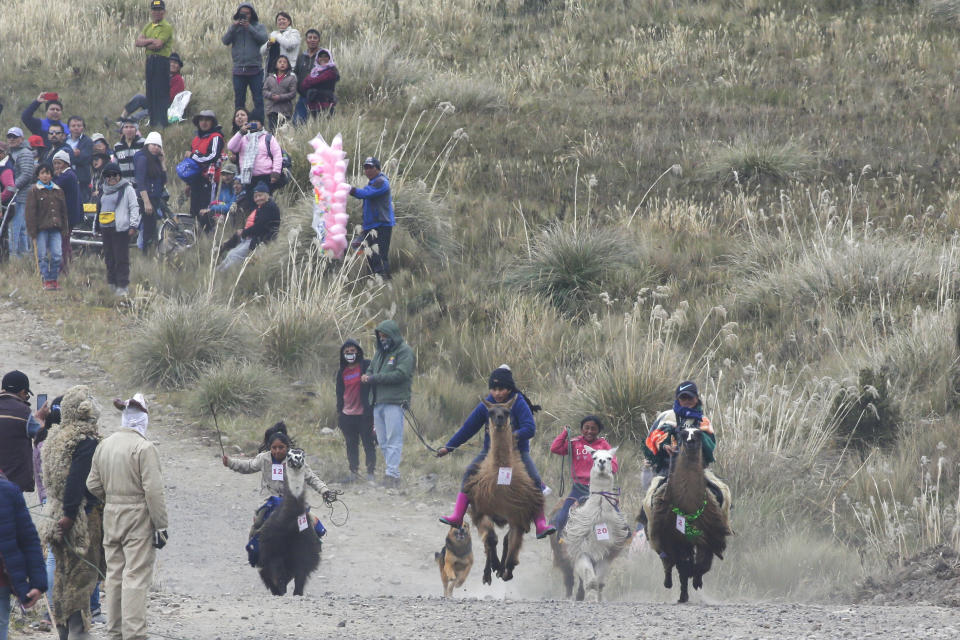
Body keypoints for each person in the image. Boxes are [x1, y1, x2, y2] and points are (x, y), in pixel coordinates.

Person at [436, 365, 556, 538]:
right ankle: (457, 515)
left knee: (535, 481)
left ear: (510, 388)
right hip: (489, 452)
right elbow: (468, 428)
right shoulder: (486, 404)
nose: (497, 393)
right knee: (469, 474)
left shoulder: (518, 402)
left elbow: (529, 428)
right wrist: (449, 447)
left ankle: (540, 524)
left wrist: (511, 436)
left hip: (517, 453)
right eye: (494, 388)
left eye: (502, 388)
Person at [86, 394, 168, 640]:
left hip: (111, 514)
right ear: (143, 419)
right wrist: (161, 525)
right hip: (138, 517)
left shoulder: (105, 444)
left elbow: (92, 484)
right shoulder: (144, 448)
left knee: (114, 575)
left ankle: (115, 632)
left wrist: (112, 496)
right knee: (135, 575)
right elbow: (153, 491)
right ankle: (134, 634)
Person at [40, 385, 103, 639]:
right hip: (79, 516)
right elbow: (77, 479)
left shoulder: (55, 436)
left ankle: (63, 628)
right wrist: (70, 513)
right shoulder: (85, 441)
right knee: (82, 574)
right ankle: (78, 630)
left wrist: (60, 512)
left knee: (62, 573)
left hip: (54, 513)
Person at [221, 423, 331, 565]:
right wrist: (229, 462)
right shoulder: (263, 459)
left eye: (281, 448)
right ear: (269, 448)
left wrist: (324, 490)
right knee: (258, 523)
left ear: (287, 448)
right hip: (269, 501)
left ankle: (313, 548)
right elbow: (247, 466)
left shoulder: (295, 460)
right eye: (274, 448)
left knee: (307, 522)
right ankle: (254, 553)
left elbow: (310, 477)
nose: (277, 451)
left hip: (292, 502)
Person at [360, 320, 414, 487]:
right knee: (382, 440)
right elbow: (371, 369)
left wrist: (375, 378)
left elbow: (401, 374)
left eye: (385, 336)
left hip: (395, 401)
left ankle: (392, 474)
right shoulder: (379, 353)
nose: (383, 339)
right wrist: (366, 375)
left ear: (393, 335)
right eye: (380, 336)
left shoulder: (404, 351)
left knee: (393, 439)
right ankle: (391, 473)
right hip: (377, 401)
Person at [548, 415, 619, 535]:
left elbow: (614, 464)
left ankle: (623, 539)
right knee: (562, 519)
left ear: (598, 431)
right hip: (579, 489)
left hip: (599, 488)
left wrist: (607, 470)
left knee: (616, 518)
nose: (590, 431)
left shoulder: (603, 445)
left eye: (593, 428)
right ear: (581, 429)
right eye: (586, 428)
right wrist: (565, 433)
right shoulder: (575, 443)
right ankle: (560, 539)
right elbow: (555, 448)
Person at [0, 469, 47, 640]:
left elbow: (28, 539)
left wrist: (38, 582)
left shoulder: (7, 491)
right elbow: (29, 540)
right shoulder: (8, 490)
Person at [643, 381, 716, 476]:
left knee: (721, 489)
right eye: (683, 398)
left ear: (697, 398)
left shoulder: (704, 421)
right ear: (678, 399)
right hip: (664, 468)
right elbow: (650, 441)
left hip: (696, 470)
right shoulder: (666, 416)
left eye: (690, 397)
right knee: (653, 489)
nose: (687, 401)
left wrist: (696, 437)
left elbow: (710, 448)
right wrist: (664, 446)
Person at [335, 339, 376, 483]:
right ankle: (353, 472)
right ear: (342, 354)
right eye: (346, 352)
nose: (350, 354)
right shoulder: (342, 372)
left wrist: (373, 411)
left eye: (352, 351)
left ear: (358, 351)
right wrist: (340, 414)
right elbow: (339, 394)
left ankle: (370, 473)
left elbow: (374, 385)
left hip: (364, 414)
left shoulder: (366, 365)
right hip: (347, 415)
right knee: (351, 445)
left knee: (368, 444)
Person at [96, 162, 139, 295]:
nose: (111, 178)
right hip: (105, 229)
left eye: (114, 175)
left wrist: (133, 225)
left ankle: (122, 286)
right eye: (108, 176)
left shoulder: (127, 189)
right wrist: (96, 228)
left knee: (121, 258)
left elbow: (134, 207)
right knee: (109, 258)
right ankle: (111, 284)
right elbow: (99, 209)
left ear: (119, 175)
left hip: (120, 229)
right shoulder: (103, 190)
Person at [216, 182, 279, 271]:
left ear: (267, 195)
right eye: (256, 197)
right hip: (254, 237)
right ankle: (217, 269)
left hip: (261, 240)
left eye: (260, 195)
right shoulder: (262, 207)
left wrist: (244, 232)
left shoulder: (269, 207)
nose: (258, 199)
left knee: (234, 255)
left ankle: (221, 273)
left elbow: (260, 227)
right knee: (231, 253)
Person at [350, 156, 395, 278]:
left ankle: (384, 284)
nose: (367, 170)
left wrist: (349, 189)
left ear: (378, 168)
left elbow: (366, 194)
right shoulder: (373, 183)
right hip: (371, 226)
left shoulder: (381, 182)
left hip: (382, 226)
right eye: (365, 167)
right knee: (365, 252)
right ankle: (375, 280)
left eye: (370, 167)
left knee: (379, 257)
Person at [25, 163, 68, 291]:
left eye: (48, 173)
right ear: (38, 175)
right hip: (41, 229)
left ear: (51, 175)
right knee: (42, 255)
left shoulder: (58, 190)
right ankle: (46, 279)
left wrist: (64, 227)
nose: (45, 176)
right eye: (42, 173)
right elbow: (30, 212)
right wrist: (32, 230)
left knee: (57, 255)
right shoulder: (34, 190)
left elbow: (63, 211)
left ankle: (54, 279)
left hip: (56, 228)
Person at [222, 3, 268, 121]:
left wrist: (249, 28)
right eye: (242, 13)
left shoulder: (259, 26)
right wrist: (233, 27)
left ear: (252, 14)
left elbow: (263, 39)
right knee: (239, 101)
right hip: (238, 71)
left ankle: (260, 125)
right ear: (238, 14)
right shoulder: (234, 28)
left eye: (247, 13)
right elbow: (225, 41)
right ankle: (238, 128)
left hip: (255, 70)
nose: (245, 15)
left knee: (258, 100)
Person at [226, 117, 281, 212]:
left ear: (262, 124)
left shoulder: (268, 137)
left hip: (265, 177)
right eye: (251, 122)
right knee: (251, 205)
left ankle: (266, 224)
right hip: (248, 178)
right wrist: (240, 132)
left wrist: (276, 172)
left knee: (265, 204)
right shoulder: (243, 138)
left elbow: (277, 155)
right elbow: (231, 147)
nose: (253, 124)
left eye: (256, 121)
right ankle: (253, 223)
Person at [135, 0, 175, 128]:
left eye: (159, 10)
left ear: (164, 11)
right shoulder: (148, 26)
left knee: (161, 92)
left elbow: (158, 45)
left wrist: (147, 42)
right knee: (150, 92)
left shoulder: (166, 27)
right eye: (154, 10)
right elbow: (137, 42)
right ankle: (153, 122)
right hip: (150, 61)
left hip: (161, 61)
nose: (156, 12)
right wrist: (151, 40)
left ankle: (162, 123)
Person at [0, 371, 42, 493]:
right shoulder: (24, 412)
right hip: (13, 481)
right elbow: (41, 436)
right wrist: (41, 419)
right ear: (23, 392)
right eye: (27, 395)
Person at [121, 52, 186, 124]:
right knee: (139, 98)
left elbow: (170, 98)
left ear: (179, 67)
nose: (172, 64)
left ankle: (127, 123)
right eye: (170, 62)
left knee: (149, 111)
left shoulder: (178, 79)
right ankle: (122, 117)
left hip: (167, 108)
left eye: (175, 63)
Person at [186, 110, 224, 221]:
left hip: (209, 180)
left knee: (206, 211)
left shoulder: (216, 137)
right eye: (201, 120)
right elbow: (191, 164)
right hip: (195, 180)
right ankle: (196, 237)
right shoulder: (196, 139)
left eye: (207, 120)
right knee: (194, 211)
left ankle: (208, 236)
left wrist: (193, 155)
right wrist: (189, 183)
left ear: (213, 122)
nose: (204, 122)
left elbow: (212, 156)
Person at [133, 131, 166, 252]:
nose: (156, 147)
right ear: (147, 144)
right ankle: (145, 253)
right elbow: (140, 181)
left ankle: (147, 250)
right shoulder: (142, 158)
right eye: (153, 144)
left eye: (158, 146)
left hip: (155, 198)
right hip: (146, 198)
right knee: (148, 228)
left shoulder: (156, 160)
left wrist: (163, 162)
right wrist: (146, 202)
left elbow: (164, 180)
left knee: (151, 226)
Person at [5, 128, 36, 258]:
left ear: (22, 139)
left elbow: (27, 174)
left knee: (16, 227)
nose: (12, 139)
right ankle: (23, 256)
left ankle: (15, 255)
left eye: (15, 136)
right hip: (16, 196)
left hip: (22, 196)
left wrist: (11, 188)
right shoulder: (12, 153)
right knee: (21, 228)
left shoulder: (25, 153)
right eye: (10, 136)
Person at [52, 150, 82, 271]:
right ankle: (68, 263)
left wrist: (54, 176)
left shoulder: (67, 176)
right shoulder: (71, 174)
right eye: (55, 163)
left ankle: (63, 266)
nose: (57, 166)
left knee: (62, 241)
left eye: (59, 163)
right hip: (70, 214)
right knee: (66, 240)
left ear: (66, 163)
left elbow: (54, 186)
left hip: (67, 215)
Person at [292, 29, 321, 124]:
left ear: (319, 40)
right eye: (310, 38)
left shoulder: (323, 56)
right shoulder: (301, 57)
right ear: (306, 40)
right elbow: (295, 74)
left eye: (315, 38)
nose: (312, 40)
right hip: (303, 96)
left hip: (319, 97)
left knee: (319, 124)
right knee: (298, 123)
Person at [260, 12, 300, 81]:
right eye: (279, 20)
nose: (281, 21)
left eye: (284, 19)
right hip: (271, 72)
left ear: (289, 21)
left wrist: (277, 36)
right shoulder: (274, 34)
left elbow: (289, 45)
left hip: (286, 72)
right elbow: (262, 52)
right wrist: (268, 44)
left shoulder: (294, 32)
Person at [299, 48, 339, 117]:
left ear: (329, 58)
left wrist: (309, 81)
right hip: (313, 105)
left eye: (326, 56)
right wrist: (310, 81)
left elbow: (317, 80)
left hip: (326, 104)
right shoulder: (314, 71)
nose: (323, 58)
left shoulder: (331, 71)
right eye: (321, 56)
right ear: (317, 58)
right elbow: (303, 85)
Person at [263, 55, 297, 130]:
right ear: (276, 64)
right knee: (272, 132)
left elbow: (293, 93)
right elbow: (264, 91)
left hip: (285, 110)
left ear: (288, 65)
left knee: (283, 133)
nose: (282, 64)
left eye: (285, 62)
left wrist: (280, 97)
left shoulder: (291, 78)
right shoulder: (270, 78)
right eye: (280, 62)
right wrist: (271, 95)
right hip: (272, 109)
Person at [65, 116, 94, 202]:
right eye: (73, 126)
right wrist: (74, 154)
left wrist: (69, 156)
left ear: (83, 127)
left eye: (79, 125)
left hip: (82, 180)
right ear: (69, 128)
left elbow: (85, 159)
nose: (76, 128)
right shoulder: (64, 140)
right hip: (66, 178)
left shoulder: (87, 141)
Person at [0, 143, 14, 208]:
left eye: (0, 152)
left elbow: (11, 187)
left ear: (5, 153)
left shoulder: (6, 168)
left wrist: (1, 198)